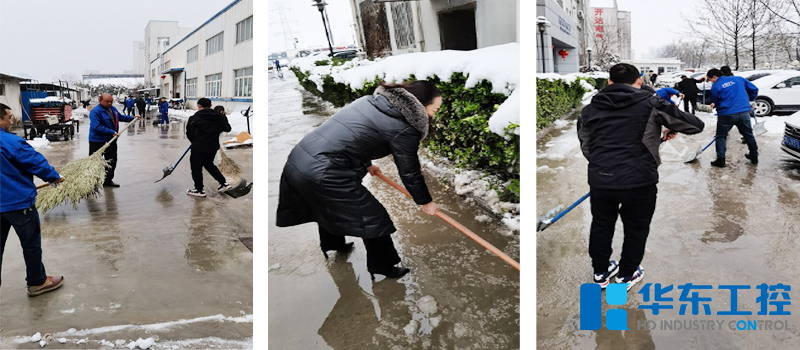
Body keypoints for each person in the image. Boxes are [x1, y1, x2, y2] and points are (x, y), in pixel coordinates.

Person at [276, 80, 443, 280]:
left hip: (301, 159)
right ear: (418, 105)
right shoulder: (404, 127)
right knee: (372, 218)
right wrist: (425, 202)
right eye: (434, 109)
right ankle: (383, 266)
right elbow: (409, 171)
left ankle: (333, 245)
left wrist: (366, 164)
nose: (433, 115)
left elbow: (351, 135)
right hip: (324, 172)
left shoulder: (371, 102)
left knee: (327, 204)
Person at [578, 63, 704, 291]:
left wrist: (607, 165)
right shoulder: (652, 103)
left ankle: (600, 272)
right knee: (636, 227)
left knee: (601, 225)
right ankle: (626, 274)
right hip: (639, 180)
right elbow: (695, 125)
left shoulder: (589, 109)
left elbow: (587, 146)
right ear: (639, 81)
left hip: (601, 179)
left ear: (609, 82)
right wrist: (663, 126)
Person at [0, 103, 66, 296]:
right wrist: (54, 177)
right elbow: (35, 162)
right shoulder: (10, 141)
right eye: (8, 117)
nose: (11, 121)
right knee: (31, 244)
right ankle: (37, 282)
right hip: (17, 204)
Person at [706, 68, 759, 167]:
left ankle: (721, 160)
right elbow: (754, 89)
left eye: (710, 79)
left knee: (721, 137)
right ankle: (754, 155)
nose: (711, 82)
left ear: (714, 77)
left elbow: (716, 102)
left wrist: (718, 107)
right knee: (748, 135)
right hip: (743, 112)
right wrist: (751, 99)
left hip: (726, 115)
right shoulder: (739, 79)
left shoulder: (715, 87)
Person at [185, 98, 232, 197]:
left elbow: (189, 134)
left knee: (196, 167)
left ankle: (199, 190)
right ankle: (223, 183)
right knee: (208, 164)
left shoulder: (194, 118)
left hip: (198, 147)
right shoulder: (220, 117)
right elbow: (227, 128)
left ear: (199, 106)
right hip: (213, 146)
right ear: (211, 106)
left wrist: (195, 141)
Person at [89, 93, 138, 187]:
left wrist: (133, 118)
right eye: (107, 101)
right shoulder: (95, 111)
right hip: (97, 141)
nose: (109, 103)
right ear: (100, 100)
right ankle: (92, 182)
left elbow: (121, 117)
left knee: (111, 161)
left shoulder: (113, 109)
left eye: (111, 101)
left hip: (111, 140)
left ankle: (108, 181)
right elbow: (96, 126)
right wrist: (111, 131)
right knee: (94, 163)